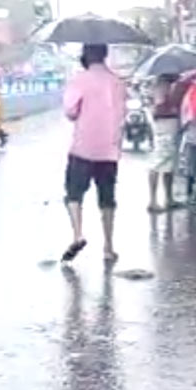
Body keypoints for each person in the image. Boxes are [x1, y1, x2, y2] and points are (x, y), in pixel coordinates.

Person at [60, 43, 126, 263]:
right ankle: (108, 246)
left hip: (83, 147)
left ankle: (78, 234)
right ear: (105, 55)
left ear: (86, 55)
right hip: (109, 149)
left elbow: (70, 111)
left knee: (74, 193)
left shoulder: (80, 79)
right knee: (107, 198)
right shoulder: (117, 82)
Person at [149, 74, 181, 212]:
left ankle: (169, 198)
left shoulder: (169, 85)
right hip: (165, 127)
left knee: (169, 165)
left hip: (170, 127)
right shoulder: (162, 86)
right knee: (158, 164)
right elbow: (159, 106)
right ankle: (153, 201)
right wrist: (172, 99)